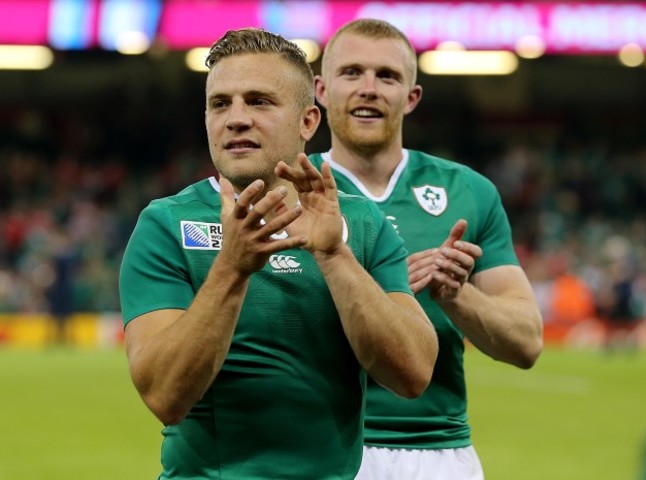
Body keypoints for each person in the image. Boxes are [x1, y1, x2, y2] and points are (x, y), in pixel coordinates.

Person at [119, 28, 438, 480]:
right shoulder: (165, 225)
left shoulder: (362, 225)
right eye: (220, 103)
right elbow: (164, 396)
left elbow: (412, 374)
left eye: (259, 101)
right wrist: (232, 267)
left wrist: (334, 256)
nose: (236, 119)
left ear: (308, 122)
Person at [310, 18, 544, 479]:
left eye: (388, 76)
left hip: (438, 453)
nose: (369, 88)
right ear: (320, 90)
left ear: (411, 97)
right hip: (318, 451)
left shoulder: (469, 192)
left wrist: (457, 294)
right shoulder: (289, 190)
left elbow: (527, 342)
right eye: (352, 72)